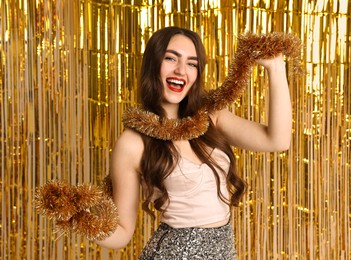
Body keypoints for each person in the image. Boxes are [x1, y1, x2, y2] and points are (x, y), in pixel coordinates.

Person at [95, 26, 292, 259]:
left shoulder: (210, 118)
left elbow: (277, 140)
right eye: (170, 58)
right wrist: (79, 221)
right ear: (153, 64)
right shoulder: (133, 142)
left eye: (192, 63)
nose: (181, 70)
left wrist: (276, 66)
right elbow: (123, 233)